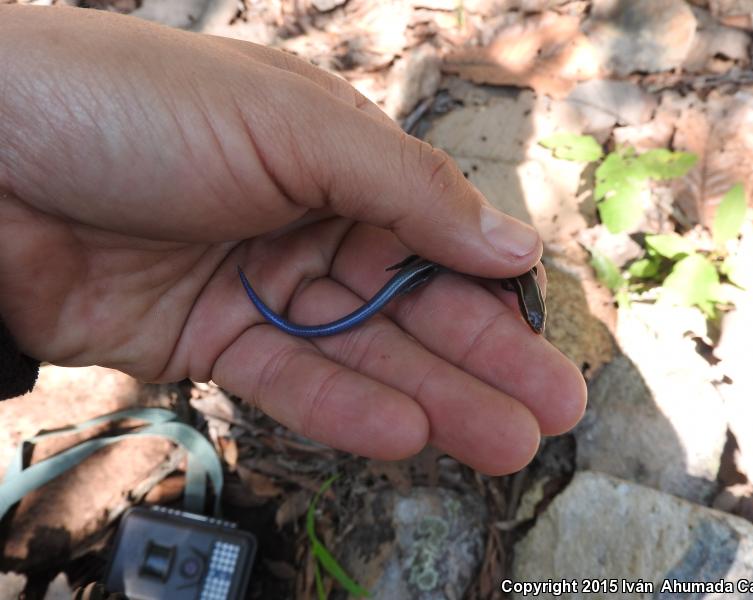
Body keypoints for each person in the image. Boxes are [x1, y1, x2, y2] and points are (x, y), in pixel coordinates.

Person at [0, 4, 586, 476]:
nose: (530, 316)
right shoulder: (512, 279)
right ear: (525, 303)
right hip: (415, 269)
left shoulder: (513, 283)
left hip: (416, 270)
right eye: (530, 317)